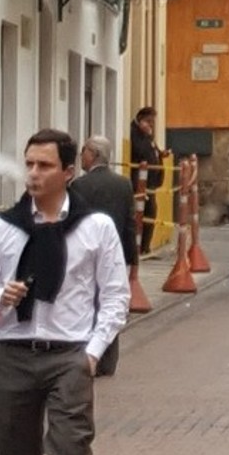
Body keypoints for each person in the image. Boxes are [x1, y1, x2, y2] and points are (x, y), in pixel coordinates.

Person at [0, 128, 129, 455]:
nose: (33, 173)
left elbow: (114, 297)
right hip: (11, 352)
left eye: (45, 166)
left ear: (68, 172)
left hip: (70, 353)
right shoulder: (5, 228)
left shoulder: (95, 228)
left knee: (71, 454)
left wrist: (91, 353)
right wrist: (2, 298)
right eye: (29, 164)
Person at [72, 136, 138, 377]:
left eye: (84, 152)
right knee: (112, 301)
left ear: (93, 154)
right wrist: (133, 258)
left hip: (86, 252)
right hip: (115, 252)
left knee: (89, 302)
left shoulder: (79, 186)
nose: (81, 156)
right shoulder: (123, 184)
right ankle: (108, 360)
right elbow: (130, 224)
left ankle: (90, 353)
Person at [129, 106, 167, 256]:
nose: (151, 125)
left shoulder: (148, 136)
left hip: (151, 183)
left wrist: (161, 153)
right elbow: (140, 152)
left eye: (152, 122)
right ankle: (138, 247)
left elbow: (153, 150)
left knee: (150, 213)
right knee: (141, 213)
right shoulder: (134, 134)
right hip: (140, 183)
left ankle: (145, 246)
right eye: (148, 121)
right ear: (140, 120)